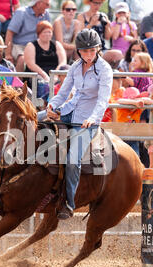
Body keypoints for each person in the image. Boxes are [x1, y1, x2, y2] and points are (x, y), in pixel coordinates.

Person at [46, 29, 113, 220]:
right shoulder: (75, 67)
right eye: (85, 51)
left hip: (88, 119)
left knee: (73, 159)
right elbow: (63, 92)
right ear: (79, 51)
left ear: (98, 49)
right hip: (69, 110)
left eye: (92, 51)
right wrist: (52, 105)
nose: (89, 55)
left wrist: (93, 118)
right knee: (35, 118)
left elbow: (103, 100)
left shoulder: (105, 69)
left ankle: (69, 203)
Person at [5, 0, 50, 72]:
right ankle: (18, 83)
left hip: (37, 46)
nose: (49, 7)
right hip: (20, 46)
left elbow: (49, 32)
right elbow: (10, 33)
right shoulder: (21, 13)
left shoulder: (46, 14)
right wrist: (8, 54)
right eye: (47, 4)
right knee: (22, 59)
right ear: (38, 4)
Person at [24, 20, 66, 97]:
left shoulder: (57, 44)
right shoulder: (31, 45)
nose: (47, 34)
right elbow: (31, 64)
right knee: (42, 83)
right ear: (39, 33)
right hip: (38, 73)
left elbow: (63, 61)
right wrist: (45, 76)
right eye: (45, 32)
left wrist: (55, 75)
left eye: (49, 32)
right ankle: (43, 103)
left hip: (55, 73)